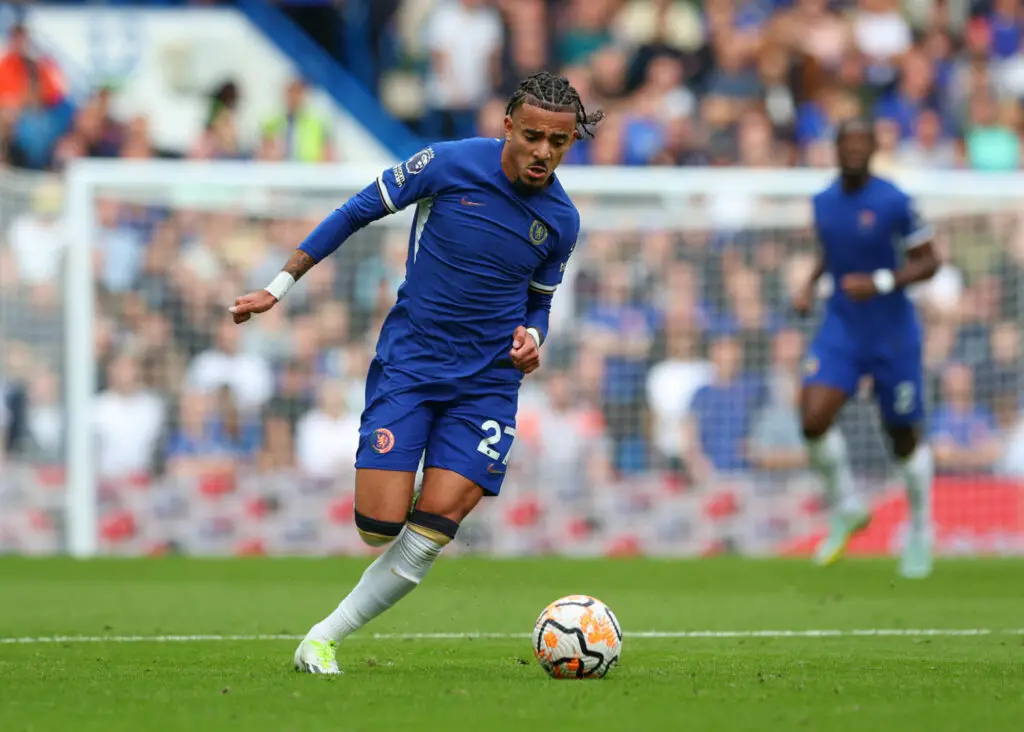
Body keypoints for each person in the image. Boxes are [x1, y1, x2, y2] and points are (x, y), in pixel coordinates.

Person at [229, 71, 602, 673]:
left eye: (557, 143)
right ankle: (419, 467)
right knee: (378, 525)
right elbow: (355, 212)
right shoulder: (448, 164)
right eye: (533, 136)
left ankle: (321, 639)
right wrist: (280, 285)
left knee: (433, 528)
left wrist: (534, 338)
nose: (543, 152)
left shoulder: (562, 220)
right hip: (412, 363)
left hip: (488, 383)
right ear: (508, 125)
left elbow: (540, 303)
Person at [794, 118, 940, 579]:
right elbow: (833, 251)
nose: (855, 149)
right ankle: (848, 506)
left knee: (903, 437)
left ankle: (920, 529)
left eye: (863, 142)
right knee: (813, 418)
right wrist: (810, 283)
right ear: (835, 148)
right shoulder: (823, 202)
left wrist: (881, 282)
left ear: (875, 147)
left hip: (892, 332)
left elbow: (931, 261)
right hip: (842, 327)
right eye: (848, 142)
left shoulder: (895, 200)